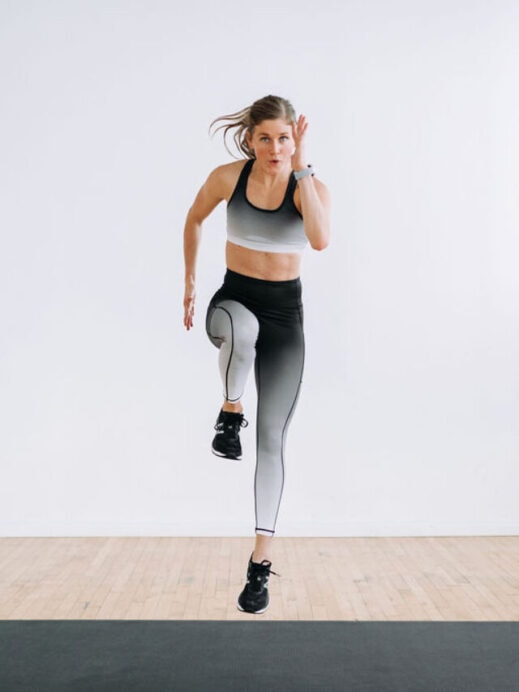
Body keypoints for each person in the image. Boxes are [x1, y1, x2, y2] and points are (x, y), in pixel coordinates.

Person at [183, 94, 330, 614]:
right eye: (264, 138)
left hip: (286, 319)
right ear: (250, 138)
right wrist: (189, 282)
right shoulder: (229, 178)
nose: (274, 148)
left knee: (273, 441)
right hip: (233, 302)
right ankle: (229, 410)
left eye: (284, 138)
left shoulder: (308, 187)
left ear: (296, 139)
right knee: (241, 330)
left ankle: (259, 565)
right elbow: (194, 218)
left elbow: (320, 239)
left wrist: (304, 169)